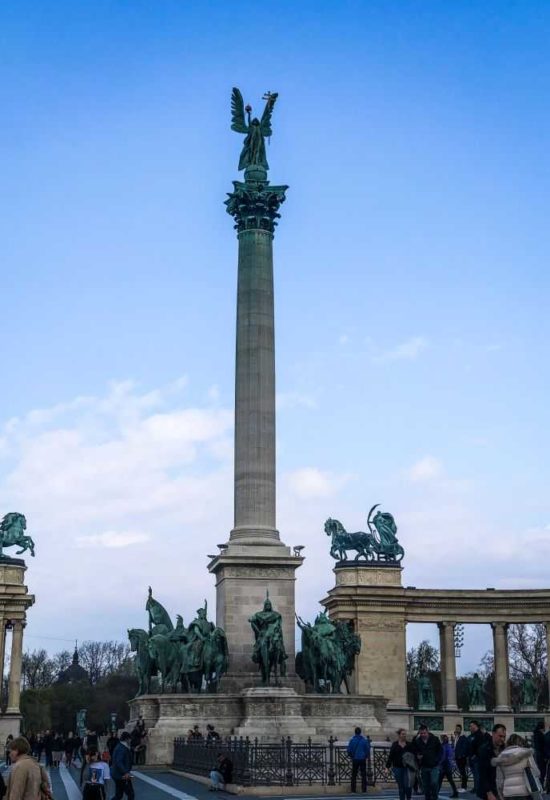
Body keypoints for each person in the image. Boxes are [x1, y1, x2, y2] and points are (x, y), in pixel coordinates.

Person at [493, 733, 541, 800]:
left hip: (508, 794)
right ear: (520, 742)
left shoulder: (501, 756)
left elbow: (499, 780)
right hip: (525, 792)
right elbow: (536, 773)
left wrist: (501, 794)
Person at [413, 724, 442, 800]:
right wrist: (417, 756)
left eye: (424, 733)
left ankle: (435, 797)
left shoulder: (434, 739)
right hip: (424, 766)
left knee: (434, 783)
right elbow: (415, 751)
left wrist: (438, 760)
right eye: (421, 733)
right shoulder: (418, 741)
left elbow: (440, 751)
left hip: (434, 766)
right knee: (426, 786)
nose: (423, 735)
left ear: (427, 732)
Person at [477, 724, 506, 800]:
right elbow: (482, 773)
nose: (502, 739)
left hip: (503, 789)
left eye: (504, 736)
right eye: (500, 736)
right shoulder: (484, 749)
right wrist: (489, 792)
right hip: (489, 790)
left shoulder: (505, 749)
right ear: (493, 734)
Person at [386, 728, 415, 800]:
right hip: (397, 768)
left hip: (407, 768)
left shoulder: (409, 745)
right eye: (403, 734)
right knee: (401, 787)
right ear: (399, 735)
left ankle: (408, 798)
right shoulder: (395, 744)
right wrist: (387, 767)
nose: (404, 735)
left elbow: (413, 755)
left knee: (407, 786)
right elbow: (391, 756)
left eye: (405, 734)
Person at [469, 720, 489, 797]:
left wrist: (475, 755)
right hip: (473, 758)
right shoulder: (473, 735)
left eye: (471, 726)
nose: (470, 727)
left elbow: (481, 747)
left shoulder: (479, 735)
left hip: (477, 758)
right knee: (475, 775)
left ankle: (478, 788)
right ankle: (476, 787)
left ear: (475, 726)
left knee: (477, 775)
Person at [111, 732, 134, 800]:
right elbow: (119, 762)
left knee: (119, 795)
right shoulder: (122, 748)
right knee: (130, 794)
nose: (130, 741)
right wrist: (126, 772)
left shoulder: (121, 746)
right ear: (127, 739)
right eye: (130, 739)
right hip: (122, 776)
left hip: (118, 775)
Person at [347, 726, 370, 793]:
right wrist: (365, 756)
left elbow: (349, 750)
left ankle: (353, 789)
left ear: (355, 732)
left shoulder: (352, 740)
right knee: (363, 775)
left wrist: (351, 756)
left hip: (355, 759)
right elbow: (367, 750)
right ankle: (364, 789)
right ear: (360, 732)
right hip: (362, 759)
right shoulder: (364, 740)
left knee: (354, 774)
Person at [454, 724, 469, 792]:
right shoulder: (457, 737)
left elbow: (465, 748)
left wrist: (462, 755)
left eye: (458, 729)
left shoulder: (463, 737)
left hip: (461, 758)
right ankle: (462, 786)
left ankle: (464, 787)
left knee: (463, 773)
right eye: (456, 729)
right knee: (461, 772)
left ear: (461, 729)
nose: (457, 730)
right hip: (457, 757)